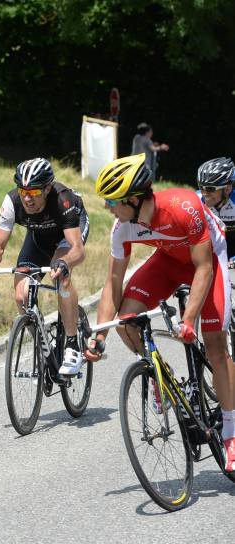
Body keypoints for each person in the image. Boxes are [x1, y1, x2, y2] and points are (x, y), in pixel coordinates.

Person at [84, 153, 235, 470]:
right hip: (168, 262)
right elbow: (113, 282)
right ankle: (160, 378)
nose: (109, 208)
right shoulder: (122, 228)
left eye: (113, 201)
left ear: (134, 199)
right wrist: (100, 336)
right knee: (127, 322)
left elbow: (204, 268)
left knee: (216, 346)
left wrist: (189, 318)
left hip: (206, 263)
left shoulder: (183, 206)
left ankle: (232, 433)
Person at [0, 158, 89, 378]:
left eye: (34, 193)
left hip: (69, 236)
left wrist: (65, 263)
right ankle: (42, 344)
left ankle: (73, 345)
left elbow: (77, 250)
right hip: (38, 238)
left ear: (47, 189)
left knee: (60, 276)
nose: (27, 198)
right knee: (21, 295)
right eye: (23, 191)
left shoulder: (63, 199)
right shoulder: (12, 202)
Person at [196, 157, 235, 261]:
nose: (204, 193)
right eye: (201, 187)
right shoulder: (196, 201)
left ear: (227, 189)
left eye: (210, 189)